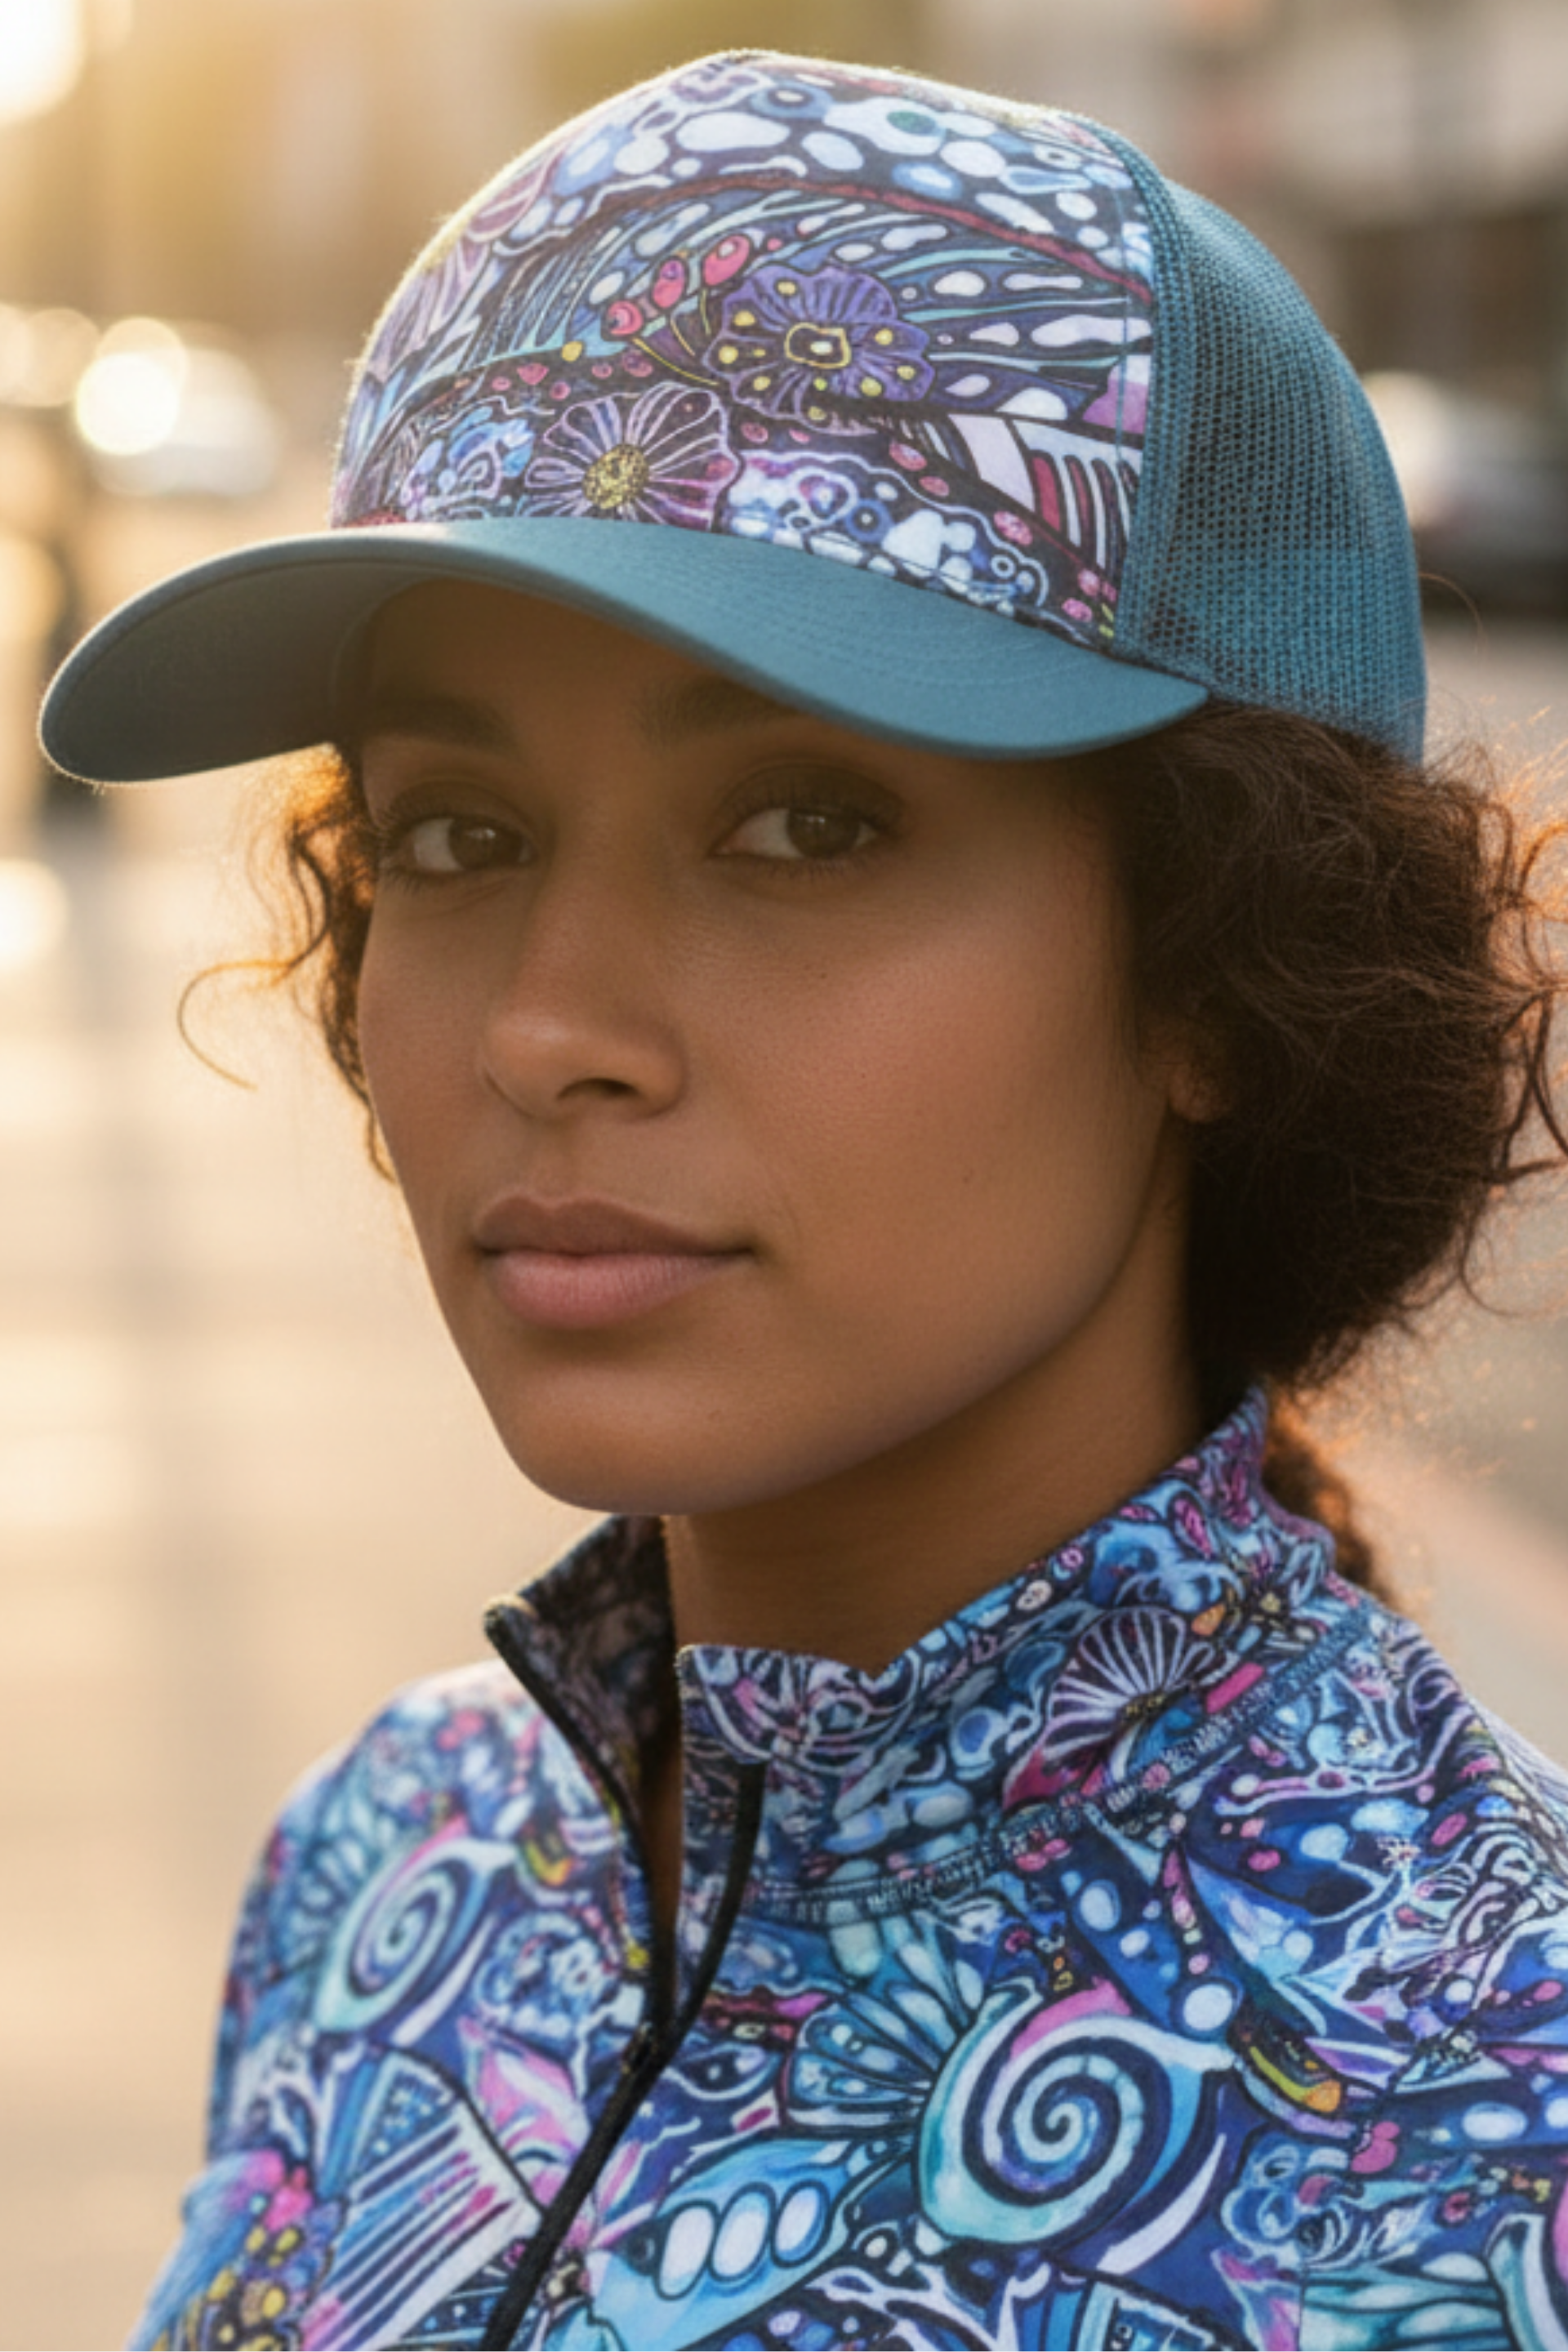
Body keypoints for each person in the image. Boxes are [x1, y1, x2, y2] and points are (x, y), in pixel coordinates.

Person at [42, 47, 1568, 2352]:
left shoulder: (1496, 2106)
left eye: (808, 823)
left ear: (1220, 965)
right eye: (462, 832)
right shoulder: (396, 1857)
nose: (550, 1024)